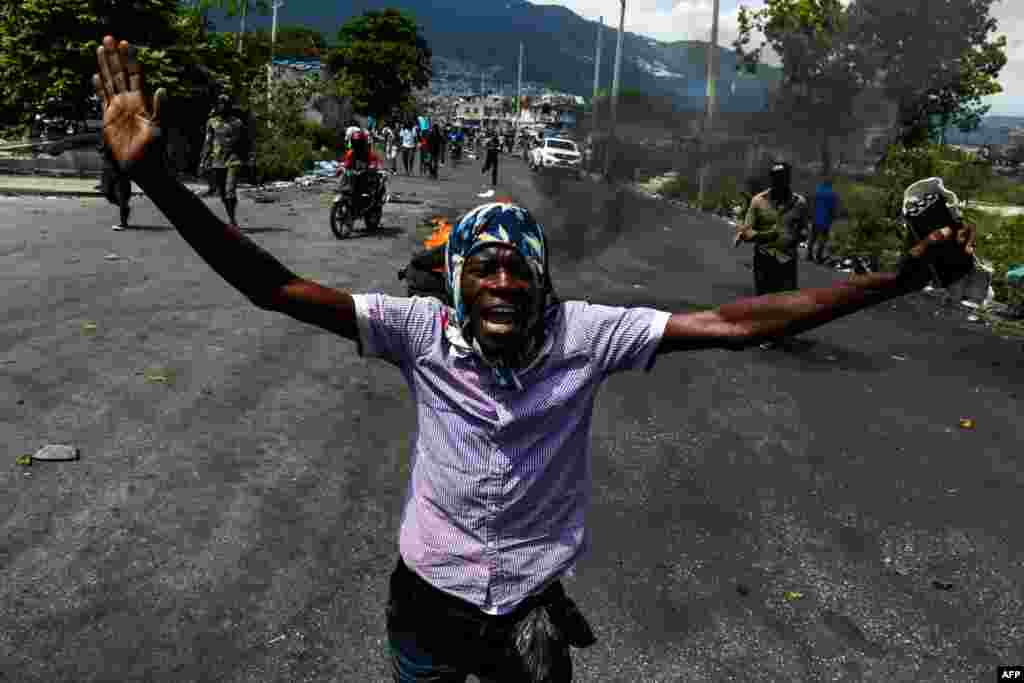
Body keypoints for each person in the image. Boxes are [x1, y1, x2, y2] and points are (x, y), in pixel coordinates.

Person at [93, 35, 977, 683]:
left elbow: (738, 320)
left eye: (522, 265)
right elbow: (275, 288)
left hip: (530, 621)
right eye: (484, 265)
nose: (505, 280)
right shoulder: (417, 331)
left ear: (545, 283)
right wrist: (161, 179)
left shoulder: (586, 335)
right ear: (454, 282)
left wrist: (897, 280)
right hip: (427, 616)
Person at [734, 162, 809, 296]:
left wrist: (799, 236)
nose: (779, 181)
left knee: (787, 301)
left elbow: (804, 229)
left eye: (783, 177)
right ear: (771, 179)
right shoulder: (758, 201)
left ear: (788, 179)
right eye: (776, 178)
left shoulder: (799, 203)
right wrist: (767, 236)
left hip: (787, 259)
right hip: (764, 258)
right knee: (764, 301)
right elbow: (747, 231)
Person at [199, 93, 248, 229]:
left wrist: (248, 158)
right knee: (223, 194)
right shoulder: (212, 122)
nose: (223, 106)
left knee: (230, 190)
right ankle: (230, 216)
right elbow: (207, 143)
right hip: (217, 161)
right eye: (220, 104)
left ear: (229, 106)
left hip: (233, 160)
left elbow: (245, 142)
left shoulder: (237, 123)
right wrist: (203, 160)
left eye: (225, 104)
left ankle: (232, 221)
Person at [98, 140, 131, 230]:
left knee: (121, 197)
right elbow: (101, 150)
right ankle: (124, 207)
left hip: (121, 174)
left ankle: (123, 223)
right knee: (107, 194)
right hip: (108, 172)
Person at [809, 177, 839, 264]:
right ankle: (818, 256)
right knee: (823, 238)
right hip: (825, 220)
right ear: (830, 184)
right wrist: (834, 217)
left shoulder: (817, 191)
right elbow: (833, 209)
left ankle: (809, 255)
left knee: (813, 237)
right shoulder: (832, 194)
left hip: (815, 218)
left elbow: (812, 204)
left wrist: (810, 215)